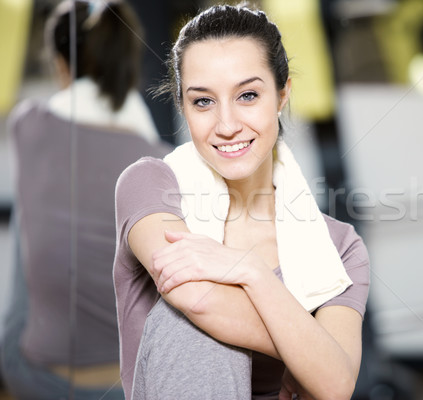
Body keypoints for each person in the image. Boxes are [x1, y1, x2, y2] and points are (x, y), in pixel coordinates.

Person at [113, 4, 370, 399]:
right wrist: (310, 348)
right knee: (188, 326)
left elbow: (336, 386)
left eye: (247, 95)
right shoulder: (149, 185)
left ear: (282, 95)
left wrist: (251, 270)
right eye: (203, 101)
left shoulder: (339, 248)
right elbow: (196, 298)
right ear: (182, 105)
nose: (228, 125)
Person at [0, 1, 172, 398]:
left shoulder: (28, 126)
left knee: (37, 218)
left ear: (61, 65)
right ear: (131, 66)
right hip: (133, 386)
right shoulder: (164, 164)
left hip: (36, 378)